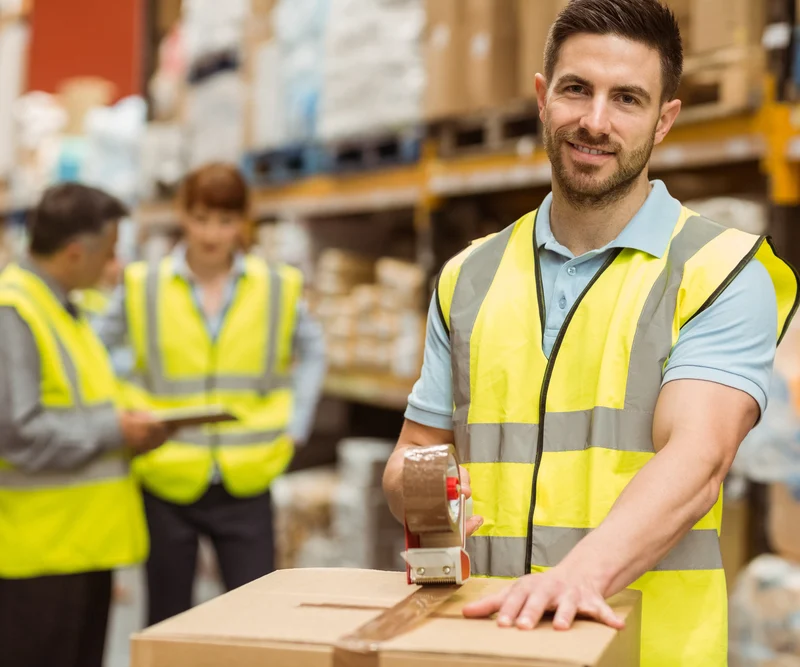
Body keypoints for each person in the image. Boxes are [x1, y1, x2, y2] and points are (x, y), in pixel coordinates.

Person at [382, 1, 799, 665]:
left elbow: (699, 459)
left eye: (627, 98)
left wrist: (576, 577)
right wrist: (431, 497)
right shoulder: (470, 276)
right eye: (577, 89)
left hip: (644, 650)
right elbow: (415, 454)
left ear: (664, 121)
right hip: (491, 643)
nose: (595, 122)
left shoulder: (719, 271)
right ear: (544, 97)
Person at [96, 162, 327, 626]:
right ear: (182, 213)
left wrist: (297, 425)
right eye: (200, 218)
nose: (211, 233)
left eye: (225, 221)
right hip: (166, 472)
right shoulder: (143, 284)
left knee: (255, 620)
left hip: (247, 473)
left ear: (244, 220)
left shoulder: (277, 285)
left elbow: (313, 350)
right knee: (167, 618)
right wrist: (125, 409)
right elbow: (94, 351)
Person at [0, 183, 171, 667]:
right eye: (110, 252)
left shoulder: (64, 307)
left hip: (78, 550)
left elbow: (81, 402)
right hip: (39, 559)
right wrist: (116, 432)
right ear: (76, 253)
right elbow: (16, 432)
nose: (114, 265)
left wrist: (132, 426)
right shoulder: (14, 311)